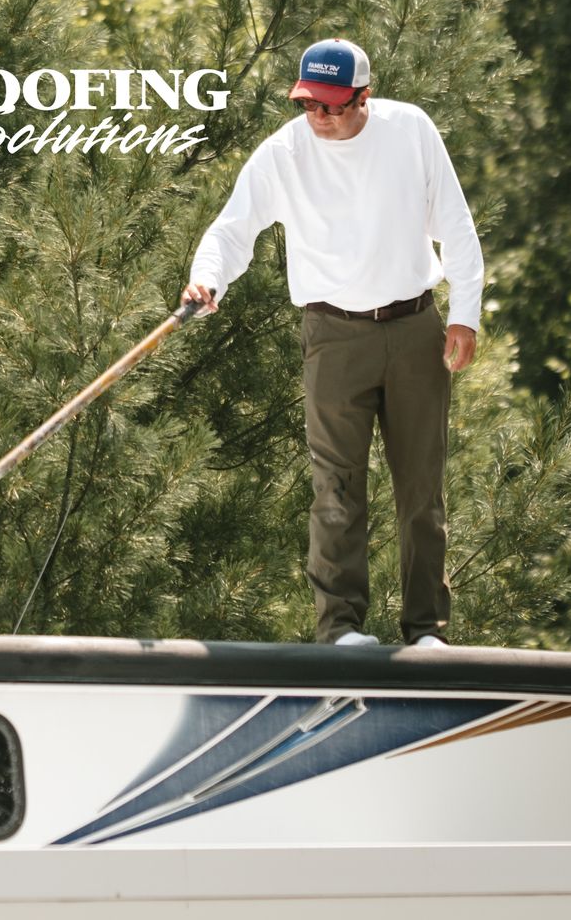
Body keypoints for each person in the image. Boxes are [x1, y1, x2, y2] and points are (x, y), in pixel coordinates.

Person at [181, 38, 484, 648]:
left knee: (421, 490)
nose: (319, 116)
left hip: (413, 325)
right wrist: (207, 277)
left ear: (363, 96)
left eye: (332, 106)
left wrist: (466, 314)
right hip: (333, 335)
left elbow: (455, 223)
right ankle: (341, 630)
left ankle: (427, 630)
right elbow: (232, 229)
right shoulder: (284, 153)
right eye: (308, 104)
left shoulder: (410, 131)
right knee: (337, 489)